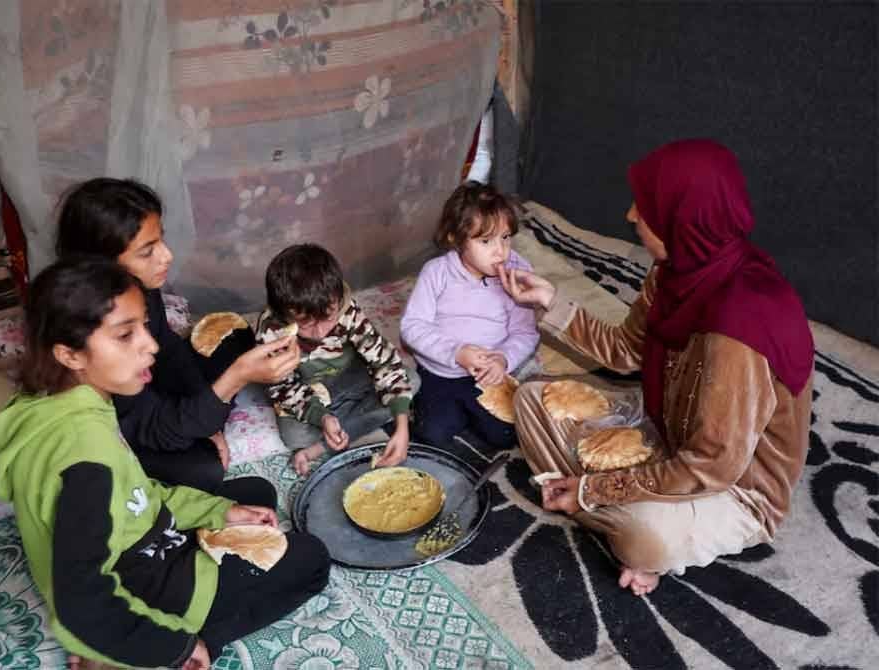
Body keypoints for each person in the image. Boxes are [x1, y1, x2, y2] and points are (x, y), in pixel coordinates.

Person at [0, 257, 330, 669]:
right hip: (145, 586)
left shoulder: (55, 404)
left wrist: (219, 511)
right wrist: (172, 648)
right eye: (126, 335)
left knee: (254, 493)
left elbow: (135, 495)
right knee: (312, 559)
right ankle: (144, 653)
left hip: (134, 538)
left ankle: (118, 643)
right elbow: (82, 597)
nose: (152, 345)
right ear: (69, 354)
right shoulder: (87, 459)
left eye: (144, 326)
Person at [502, 139, 814, 596]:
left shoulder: (740, 325)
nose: (630, 215)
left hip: (732, 489)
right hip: (666, 430)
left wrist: (595, 492)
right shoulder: (673, 272)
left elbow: (713, 465)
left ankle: (606, 514)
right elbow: (626, 350)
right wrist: (551, 300)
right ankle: (599, 502)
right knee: (530, 399)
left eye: (645, 208)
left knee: (642, 538)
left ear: (681, 220)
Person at [55, 178, 301, 493]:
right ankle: (196, 418)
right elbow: (146, 420)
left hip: (149, 391)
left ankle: (198, 415)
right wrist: (233, 381)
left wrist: (206, 414)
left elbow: (167, 350)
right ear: (103, 265)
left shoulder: (137, 289)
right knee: (204, 470)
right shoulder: (93, 332)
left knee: (235, 338)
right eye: (147, 251)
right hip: (131, 417)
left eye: (161, 241)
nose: (167, 256)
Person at [400, 181, 538, 451]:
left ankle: (469, 414)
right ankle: (442, 409)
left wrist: (503, 359)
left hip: (489, 375)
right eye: (485, 241)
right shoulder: (436, 272)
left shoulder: (517, 272)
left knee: (507, 436)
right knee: (432, 434)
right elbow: (412, 326)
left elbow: (526, 332)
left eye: (506, 237)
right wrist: (456, 352)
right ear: (456, 238)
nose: (500, 251)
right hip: (441, 369)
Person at [256, 243, 415, 476]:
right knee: (293, 436)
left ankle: (322, 444)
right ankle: (339, 427)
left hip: (349, 378)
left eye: (328, 319)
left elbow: (384, 362)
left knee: (410, 381)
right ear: (284, 314)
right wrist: (322, 417)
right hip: (307, 388)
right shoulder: (271, 332)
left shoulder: (346, 308)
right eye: (305, 324)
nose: (320, 333)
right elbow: (282, 386)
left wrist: (402, 429)